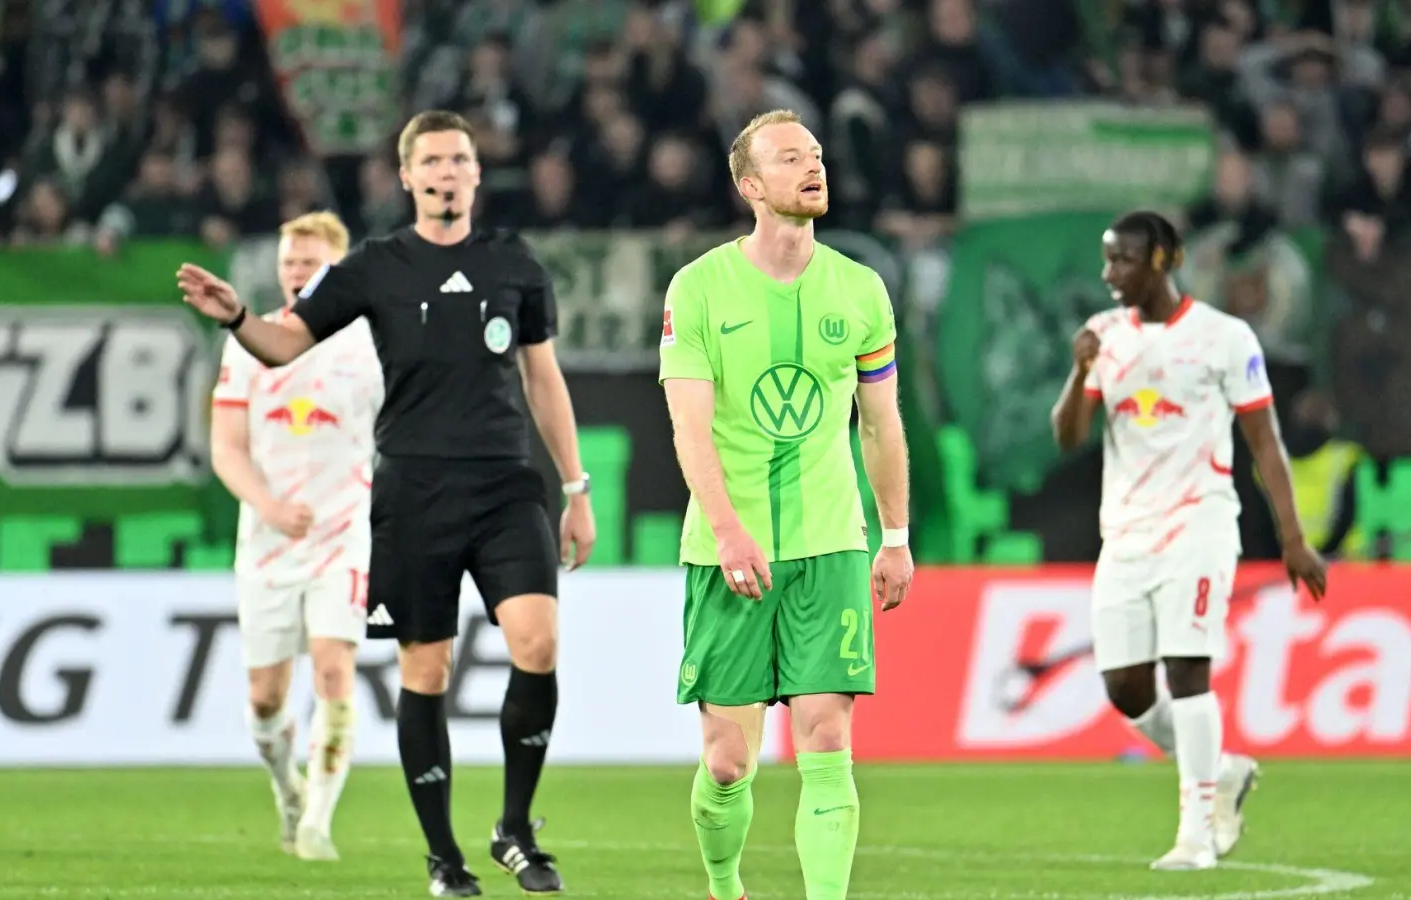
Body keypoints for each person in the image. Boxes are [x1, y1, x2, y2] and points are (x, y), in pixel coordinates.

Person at [178, 110, 596, 898]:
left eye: (459, 159)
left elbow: (543, 378)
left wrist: (575, 488)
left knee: (537, 644)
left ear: (477, 173)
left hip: (505, 485)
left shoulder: (515, 263)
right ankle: (444, 857)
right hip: (414, 490)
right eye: (430, 162)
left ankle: (514, 829)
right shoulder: (374, 267)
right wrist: (236, 316)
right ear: (407, 177)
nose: (446, 173)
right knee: (426, 670)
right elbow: (284, 343)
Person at [658, 109, 914, 900]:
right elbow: (689, 427)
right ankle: (724, 884)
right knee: (727, 762)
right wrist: (728, 531)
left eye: (816, 154)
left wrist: (896, 535)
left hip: (830, 543)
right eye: (789, 158)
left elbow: (881, 424)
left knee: (827, 738)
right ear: (749, 186)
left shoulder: (861, 289)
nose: (812, 166)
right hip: (727, 552)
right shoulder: (698, 288)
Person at [1049, 210, 1328, 871]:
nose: (1109, 273)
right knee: (1126, 690)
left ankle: (1197, 834)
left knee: (1187, 668)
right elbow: (1068, 436)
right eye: (1107, 258)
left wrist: (1293, 537)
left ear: (1161, 262)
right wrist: (1078, 372)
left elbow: (1265, 441)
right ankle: (1222, 770)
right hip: (1125, 534)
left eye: (1121, 259)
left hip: (1199, 525)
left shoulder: (1224, 338)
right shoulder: (1104, 336)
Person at [210, 210, 379, 863]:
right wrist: (269, 506)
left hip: (343, 534)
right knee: (265, 698)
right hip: (267, 541)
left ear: (337, 269)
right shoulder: (250, 342)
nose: (297, 273)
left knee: (335, 670)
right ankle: (288, 789)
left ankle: (317, 821)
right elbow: (226, 447)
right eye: (289, 263)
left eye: (310, 263)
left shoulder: (368, 343)